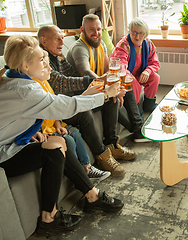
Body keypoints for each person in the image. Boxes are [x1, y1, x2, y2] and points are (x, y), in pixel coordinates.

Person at [0, 35, 124, 235]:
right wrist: (105, 95)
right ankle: (49, 217)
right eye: (41, 60)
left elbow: (10, 120)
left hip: (8, 143)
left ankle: (91, 195)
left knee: (59, 141)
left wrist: (28, 134)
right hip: (3, 155)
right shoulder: (25, 91)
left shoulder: (12, 79)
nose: (47, 64)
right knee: (55, 149)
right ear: (24, 65)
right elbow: (63, 107)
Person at [38, 25, 138, 177]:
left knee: (110, 98)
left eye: (62, 37)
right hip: (56, 108)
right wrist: (97, 80)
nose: (61, 41)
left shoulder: (58, 56)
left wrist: (103, 86)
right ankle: (102, 155)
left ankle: (111, 144)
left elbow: (72, 74)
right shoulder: (41, 60)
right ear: (43, 41)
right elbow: (61, 82)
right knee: (84, 113)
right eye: (57, 38)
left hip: (68, 99)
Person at [67, 14, 151, 143]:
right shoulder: (79, 48)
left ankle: (137, 129)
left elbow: (109, 70)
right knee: (113, 97)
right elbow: (85, 72)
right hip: (83, 91)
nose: (96, 33)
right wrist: (108, 87)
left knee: (124, 85)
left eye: (99, 29)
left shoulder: (101, 44)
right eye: (91, 29)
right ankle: (137, 129)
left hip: (97, 85)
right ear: (82, 30)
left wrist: (116, 85)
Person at [33, 54, 111, 182]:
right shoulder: (35, 88)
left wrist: (58, 125)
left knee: (75, 132)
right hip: (44, 129)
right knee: (69, 139)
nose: (50, 69)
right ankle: (77, 174)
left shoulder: (45, 82)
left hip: (55, 122)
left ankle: (87, 167)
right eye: (45, 66)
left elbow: (55, 109)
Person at [110, 17, 160, 114]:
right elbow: (121, 67)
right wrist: (131, 77)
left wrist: (147, 71)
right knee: (133, 82)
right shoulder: (123, 45)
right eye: (134, 32)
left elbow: (155, 63)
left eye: (141, 33)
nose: (137, 36)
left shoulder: (149, 44)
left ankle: (149, 105)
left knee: (155, 78)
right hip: (121, 76)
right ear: (129, 31)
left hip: (139, 72)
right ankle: (136, 109)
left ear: (145, 35)